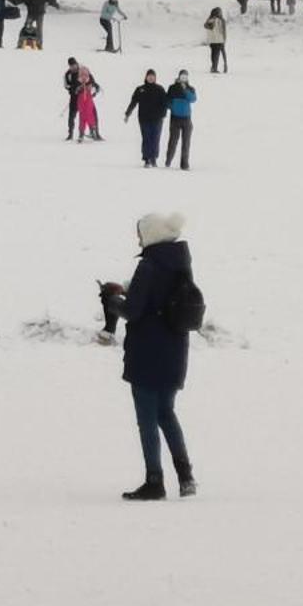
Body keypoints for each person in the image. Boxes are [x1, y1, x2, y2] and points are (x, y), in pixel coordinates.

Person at [112, 211, 198, 500]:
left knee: (147, 418)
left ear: (149, 235)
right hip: (175, 351)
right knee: (166, 413)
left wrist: (113, 302)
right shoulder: (180, 263)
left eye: (139, 234)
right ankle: (186, 476)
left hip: (148, 351)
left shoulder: (149, 265)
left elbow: (134, 310)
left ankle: (154, 480)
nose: (138, 239)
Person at [125, 69, 168, 167]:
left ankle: (154, 158)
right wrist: (128, 113)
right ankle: (146, 158)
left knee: (155, 138)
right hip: (144, 118)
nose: (151, 78)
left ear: (155, 78)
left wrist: (163, 114)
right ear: (146, 77)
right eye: (149, 76)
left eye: (153, 76)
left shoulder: (160, 89)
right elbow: (133, 102)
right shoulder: (140, 89)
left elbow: (164, 103)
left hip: (157, 119)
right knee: (146, 138)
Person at [164, 70, 197, 170]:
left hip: (187, 119)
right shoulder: (172, 87)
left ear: (187, 78)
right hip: (175, 118)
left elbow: (193, 99)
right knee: (173, 141)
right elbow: (167, 100)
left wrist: (185, 90)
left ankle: (184, 164)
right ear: (178, 77)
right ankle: (168, 160)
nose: (183, 78)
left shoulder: (190, 88)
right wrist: (171, 106)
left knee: (186, 143)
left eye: (185, 77)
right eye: (182, 76)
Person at [74, 64, 102, 141]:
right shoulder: (78, 82)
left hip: (88, 99)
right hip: (81, 100)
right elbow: (75, 90)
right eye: (82, 75)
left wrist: (94, 90)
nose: (84, 77)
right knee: (82, 115)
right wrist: (79, 89)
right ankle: (81, 133)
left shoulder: (90, 81)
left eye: (85, 75)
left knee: (89, 114)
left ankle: (92, 129)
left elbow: (96, 87)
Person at [63, 57, 84, 140]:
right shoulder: (68, 74)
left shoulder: (82, 70)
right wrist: (71, 88)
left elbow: (89, 80)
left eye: (74, 65)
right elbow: (66, 85)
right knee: (71, 116)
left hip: (83, 97)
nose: (73, 67)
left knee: (87, 115)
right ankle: (70, 133)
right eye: (71, 66)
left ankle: (93, 132)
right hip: (73, 98)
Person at [203, 7, 228, 74]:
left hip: (214, 40)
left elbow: (206, 26)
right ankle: (215, 68)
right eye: (219, 12)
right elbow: (223, 31)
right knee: (216, 54)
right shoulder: (217, 20)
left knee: (215, 54)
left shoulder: (213, 19)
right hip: (218, 40)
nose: (220, 13)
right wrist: (224, 38)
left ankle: (216, 67)